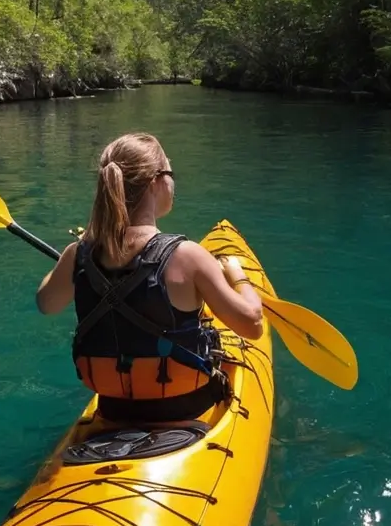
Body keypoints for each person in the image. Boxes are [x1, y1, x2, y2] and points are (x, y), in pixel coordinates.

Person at [36, 132, 264, 423]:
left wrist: (74, 258)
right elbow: (252, 324)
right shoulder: (189, 256)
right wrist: (238, 276)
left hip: (114, 408)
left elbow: (46, 303)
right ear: (157, 181)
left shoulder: (78, 254)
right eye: (170, 172)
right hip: (186, 407)